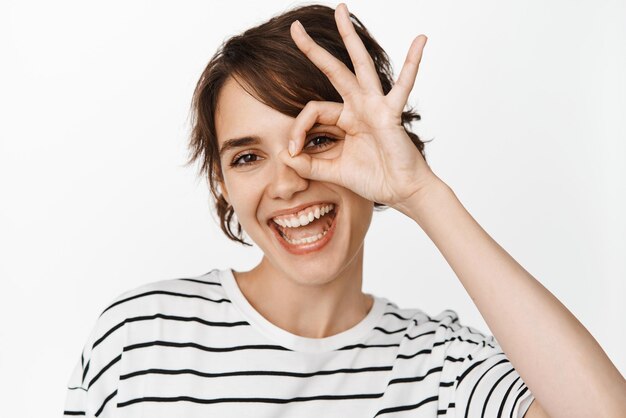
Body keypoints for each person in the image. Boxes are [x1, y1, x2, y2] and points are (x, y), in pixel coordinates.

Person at [62, 3, 626, 417]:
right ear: (221, 181)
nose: (287, 184)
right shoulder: (139, 341)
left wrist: (422, 193)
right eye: (248, 156)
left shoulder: (443, 368)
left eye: (319, 140)